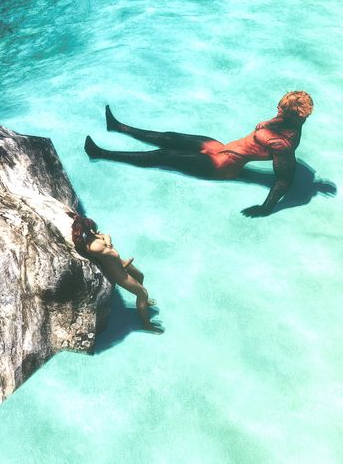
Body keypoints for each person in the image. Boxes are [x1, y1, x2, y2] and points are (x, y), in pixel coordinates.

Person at [84, 91, 314, 217]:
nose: (277, 109)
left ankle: (101, 153)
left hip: (224, 165)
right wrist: (273, 119)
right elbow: (278, 121)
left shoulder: (283, 144)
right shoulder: (287, 119)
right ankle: (119, 127)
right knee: (170, 137)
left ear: (292, 115)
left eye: (281, 109)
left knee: (164, 155)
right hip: (220, 147)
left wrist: (266, 208)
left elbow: (284, 179)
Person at [69, 212, 160, 333]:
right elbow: (113, 251)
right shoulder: (93, 247)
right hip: (117, 272)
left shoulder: (91, 237)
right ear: (88, 230)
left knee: (140, 275)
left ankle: (144, 302)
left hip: (118, 263)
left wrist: (107, 242)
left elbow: (106, 236)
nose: (95, 231)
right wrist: (124, 264)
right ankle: (146, 324)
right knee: (143, 292)